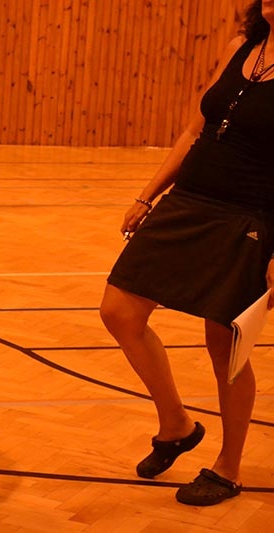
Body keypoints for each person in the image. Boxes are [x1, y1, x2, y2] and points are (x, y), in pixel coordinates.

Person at [100, 0, 274, 506]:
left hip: (249, 217)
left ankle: (228, 468)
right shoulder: (241, 46)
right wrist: (147, 195)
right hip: (189, 200)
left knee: (226, 346)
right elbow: (194, 131)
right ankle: (176, 425)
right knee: (119, 310)